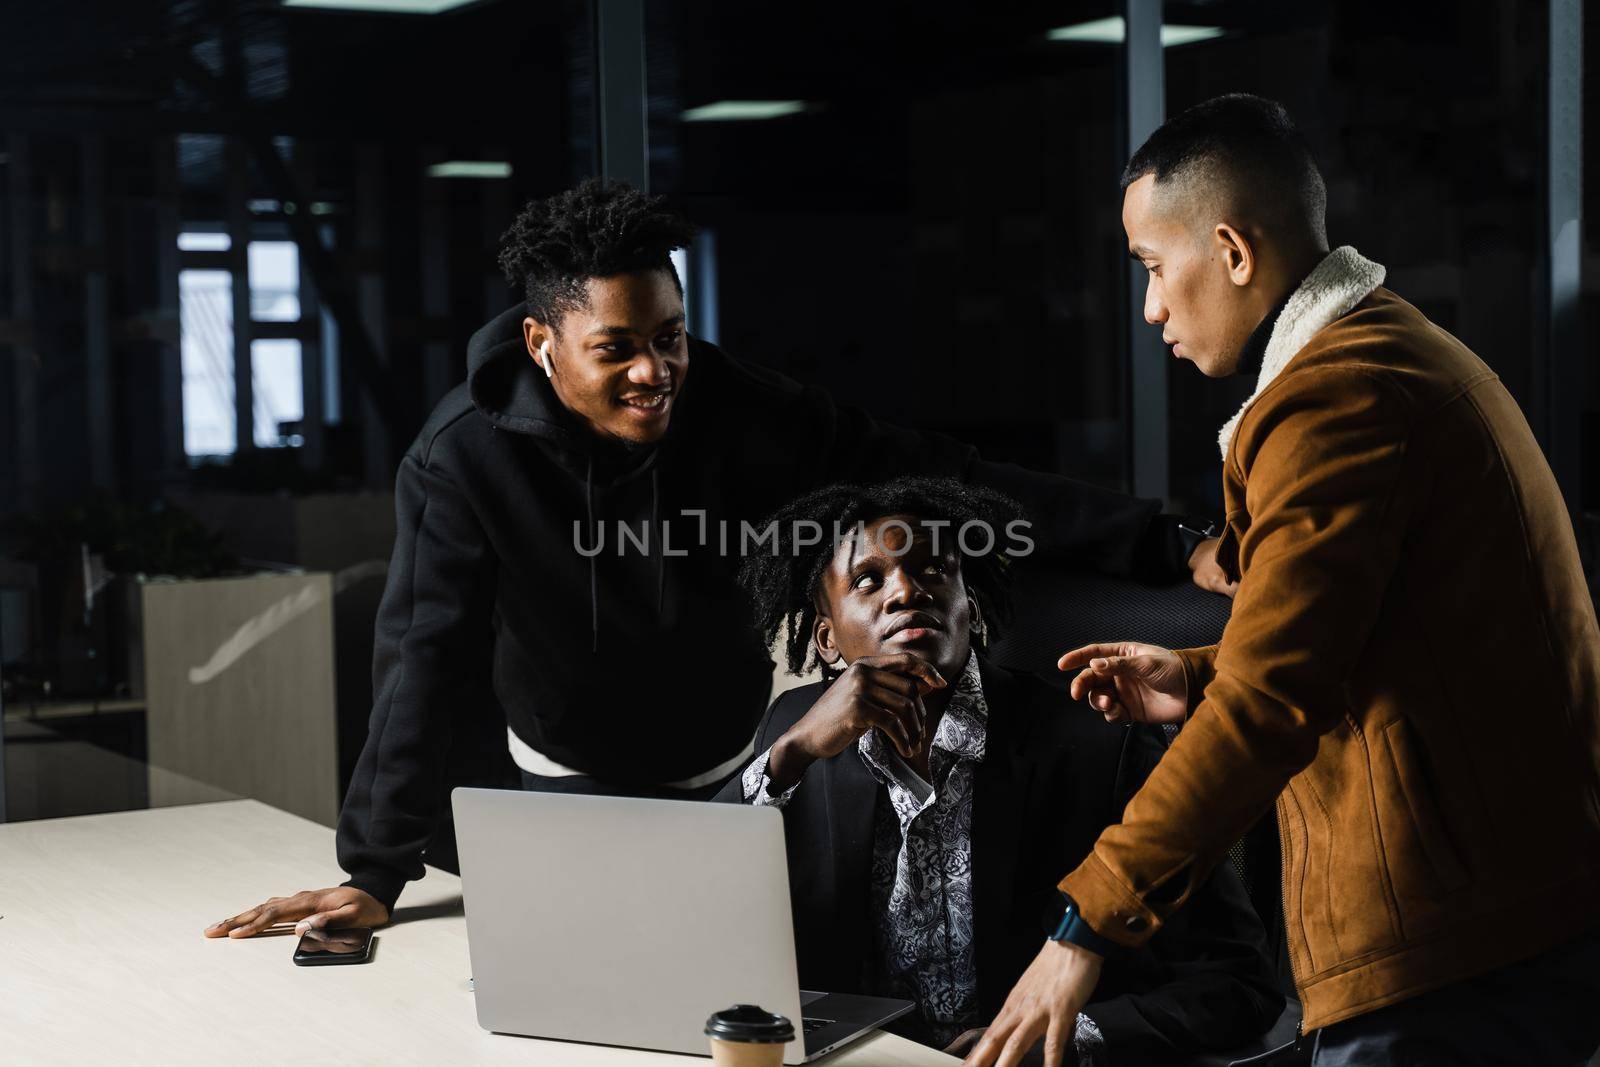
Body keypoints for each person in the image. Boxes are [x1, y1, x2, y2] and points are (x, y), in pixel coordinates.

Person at [205, 179, 1224, 942]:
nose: (655, 371)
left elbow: (936, 473)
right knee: (586, 995)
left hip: (731, 769)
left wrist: (1164, 541)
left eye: (671, 336)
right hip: (564, 770)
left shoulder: (742, 409)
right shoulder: (462, 459)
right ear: (542, 342)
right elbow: (420, 659)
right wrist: (373, 871)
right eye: (617, 348)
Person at [966, 95, 1600, 1067]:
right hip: (1498, 919)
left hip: (1449, 949)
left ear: (1228, 248)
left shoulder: (1336, 398)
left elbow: (1273, 699)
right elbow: (1368, 635)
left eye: (1151, 267)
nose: (1149, 308)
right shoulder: (1389, 354)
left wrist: (1083, 928)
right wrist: (1197, 676)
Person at [719, 477, 1283, 1062]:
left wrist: (1062, 1037)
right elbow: (692, 908)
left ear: (974, 604)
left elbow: (1242, 984)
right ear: (826, 638)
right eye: (868, 580)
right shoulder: (793, 734)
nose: (906, 591)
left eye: (934, 570)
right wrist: (792, 753)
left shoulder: (1098, 741)